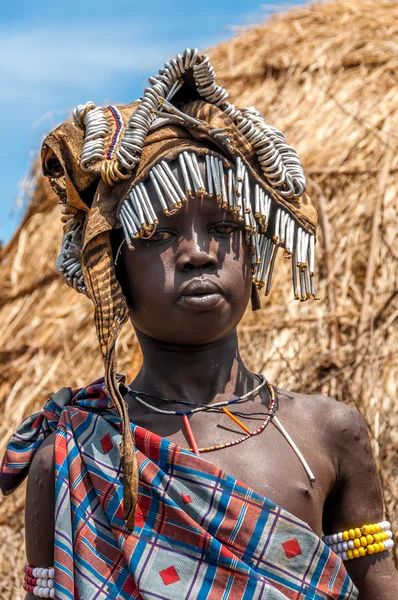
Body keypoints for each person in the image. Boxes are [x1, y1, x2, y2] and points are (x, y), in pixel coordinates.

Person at [1, 49, 397, 600]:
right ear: (112, 274)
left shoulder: (327, 433)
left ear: (254, 255)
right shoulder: (70, 456)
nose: (197, 253)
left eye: (224, 226)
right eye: (159, 233)